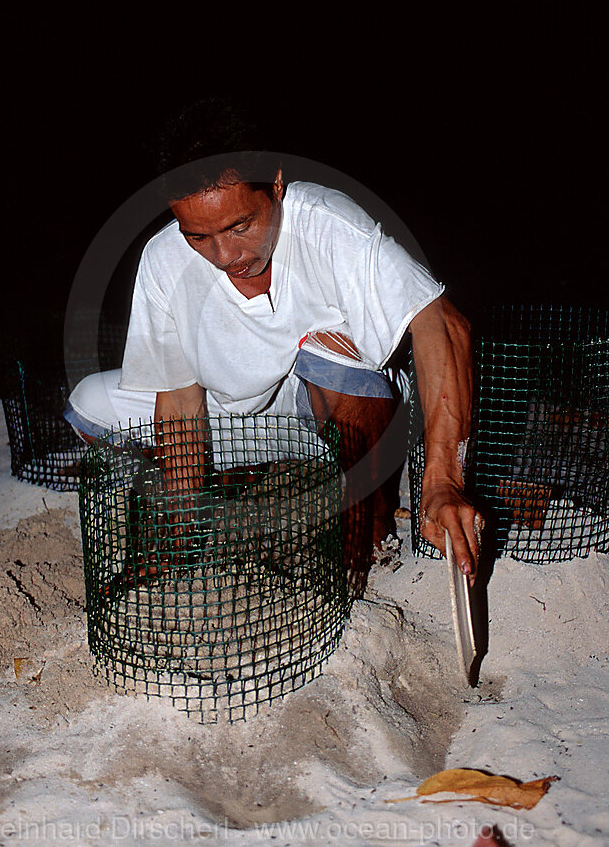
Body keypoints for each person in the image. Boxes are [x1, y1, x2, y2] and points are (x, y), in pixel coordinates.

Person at [66, 99, 481, 593]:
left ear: (276, 185)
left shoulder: (327, 223)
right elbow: (178, 402)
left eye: (239, 227)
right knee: (89, 406)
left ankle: (368, 527)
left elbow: (442, 323)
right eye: (198, 235)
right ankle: (240, 494)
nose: (225, 256)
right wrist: (176, 537)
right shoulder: (164, 261)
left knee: (329, 352)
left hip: (327, 408)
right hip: (238, 416)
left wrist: (443, 481)